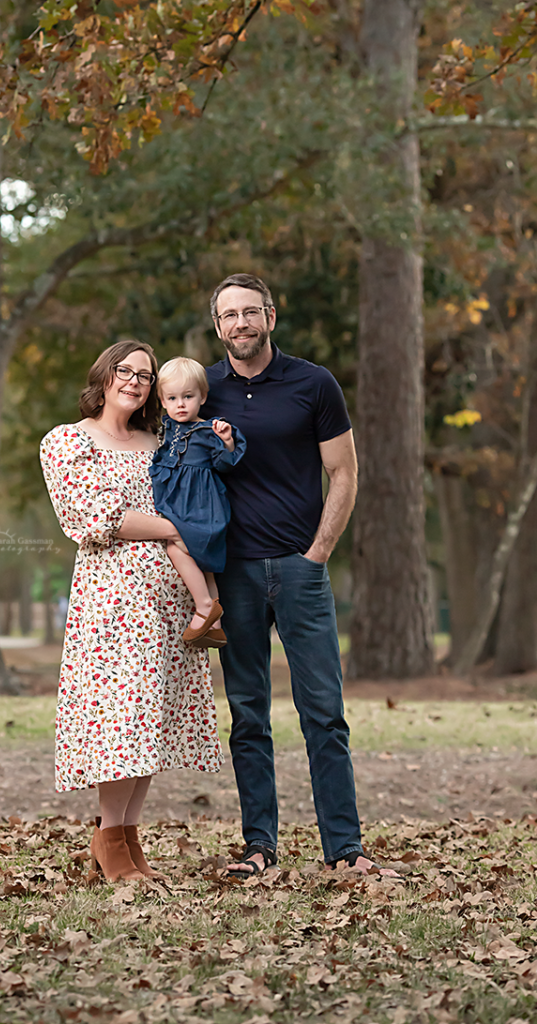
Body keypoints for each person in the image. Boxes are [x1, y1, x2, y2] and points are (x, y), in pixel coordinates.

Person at [200, 273, 399, 879]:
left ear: (271, 316)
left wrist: (318, 553)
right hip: (233, 572)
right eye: (229, 315)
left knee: (324, 712)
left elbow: (343, 473)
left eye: (250, 312)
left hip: (300, 569)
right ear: (218, 326)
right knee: (249, 714)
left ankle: (344, 850)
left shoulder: (315, 384)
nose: (241, 323)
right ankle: (259, 847)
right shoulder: (201, 389)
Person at [40, 340, 223, 883]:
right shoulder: (68, 441)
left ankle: (126, 840)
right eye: (126, 370)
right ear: (105, 374)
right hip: (113, 606)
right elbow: (96, 518)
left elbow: (195, 493)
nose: (136, 381)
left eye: (146, 374)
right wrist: (174, 528)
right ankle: (108, 838)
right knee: (120, 722)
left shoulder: (162, 440)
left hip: (171, 604)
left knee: (152, 726)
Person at [150, 357, 246, 649]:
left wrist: (227, 441)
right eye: (173, 398)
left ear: (202, 397)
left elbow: (225, 463)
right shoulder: (165, 429)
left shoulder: (208, 431)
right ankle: (215, 626)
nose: (181, 404)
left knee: (175, 546)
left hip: (201, 506)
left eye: (188, 397)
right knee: (204, 566)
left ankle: (204, 606)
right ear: (163, 401)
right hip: (178, 504)